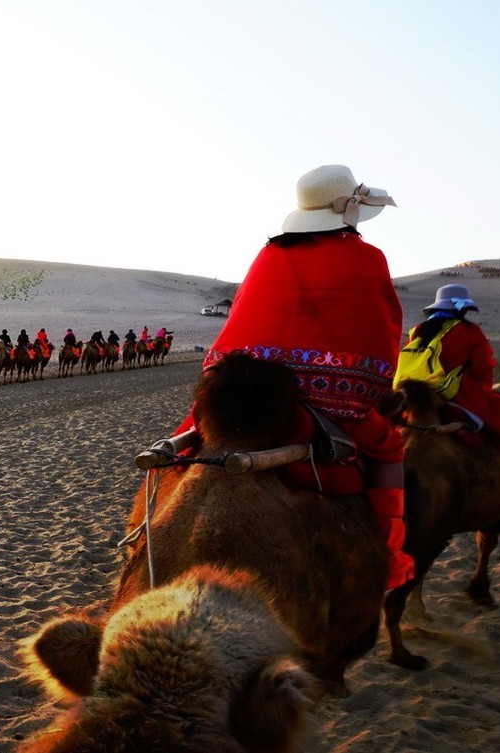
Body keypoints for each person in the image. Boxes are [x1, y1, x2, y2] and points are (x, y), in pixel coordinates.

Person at [172, 164, 412, 590]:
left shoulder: (268, 254)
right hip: (322, 398)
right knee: (388, 446)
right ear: (349, 212)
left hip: (244, 387)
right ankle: (387, 556)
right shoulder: (366, 258)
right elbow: (381, 328)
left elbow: (243, 318)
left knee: (183, 443)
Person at [396, 284, 500, 485]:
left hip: (410, 390)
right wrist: (483, 390)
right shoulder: (470, 330)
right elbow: (482, 368)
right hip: (452, 391)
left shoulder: (418, 330)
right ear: (462, 308)